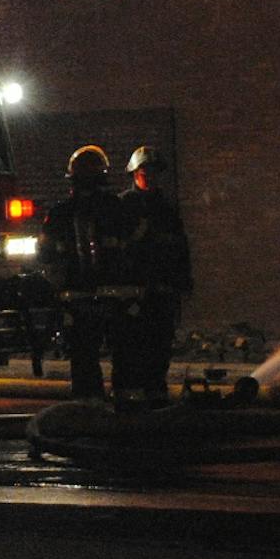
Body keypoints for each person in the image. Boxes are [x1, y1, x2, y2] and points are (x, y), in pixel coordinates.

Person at [40, 144, 128, 403]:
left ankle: (91, 411)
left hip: (84, 301)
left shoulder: (59, 214)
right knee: (116, 356)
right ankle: (121, 411)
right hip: (108, 300)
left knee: (86, 358)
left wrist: (57, 292)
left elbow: (45, 258)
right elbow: (47, 258)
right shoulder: (117, 209)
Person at [115, 146, 192, 409]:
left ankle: (156, 394)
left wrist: (183, 282)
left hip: (162, 289)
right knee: (131, 345)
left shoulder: (167, 208)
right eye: (143, 170)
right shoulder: (123, 205)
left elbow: (180, 247)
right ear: (134, 173)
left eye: (153, 171)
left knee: (160, 344)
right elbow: (117, 250)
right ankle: (129, 399)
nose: (149, 175)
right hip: (132, 292)